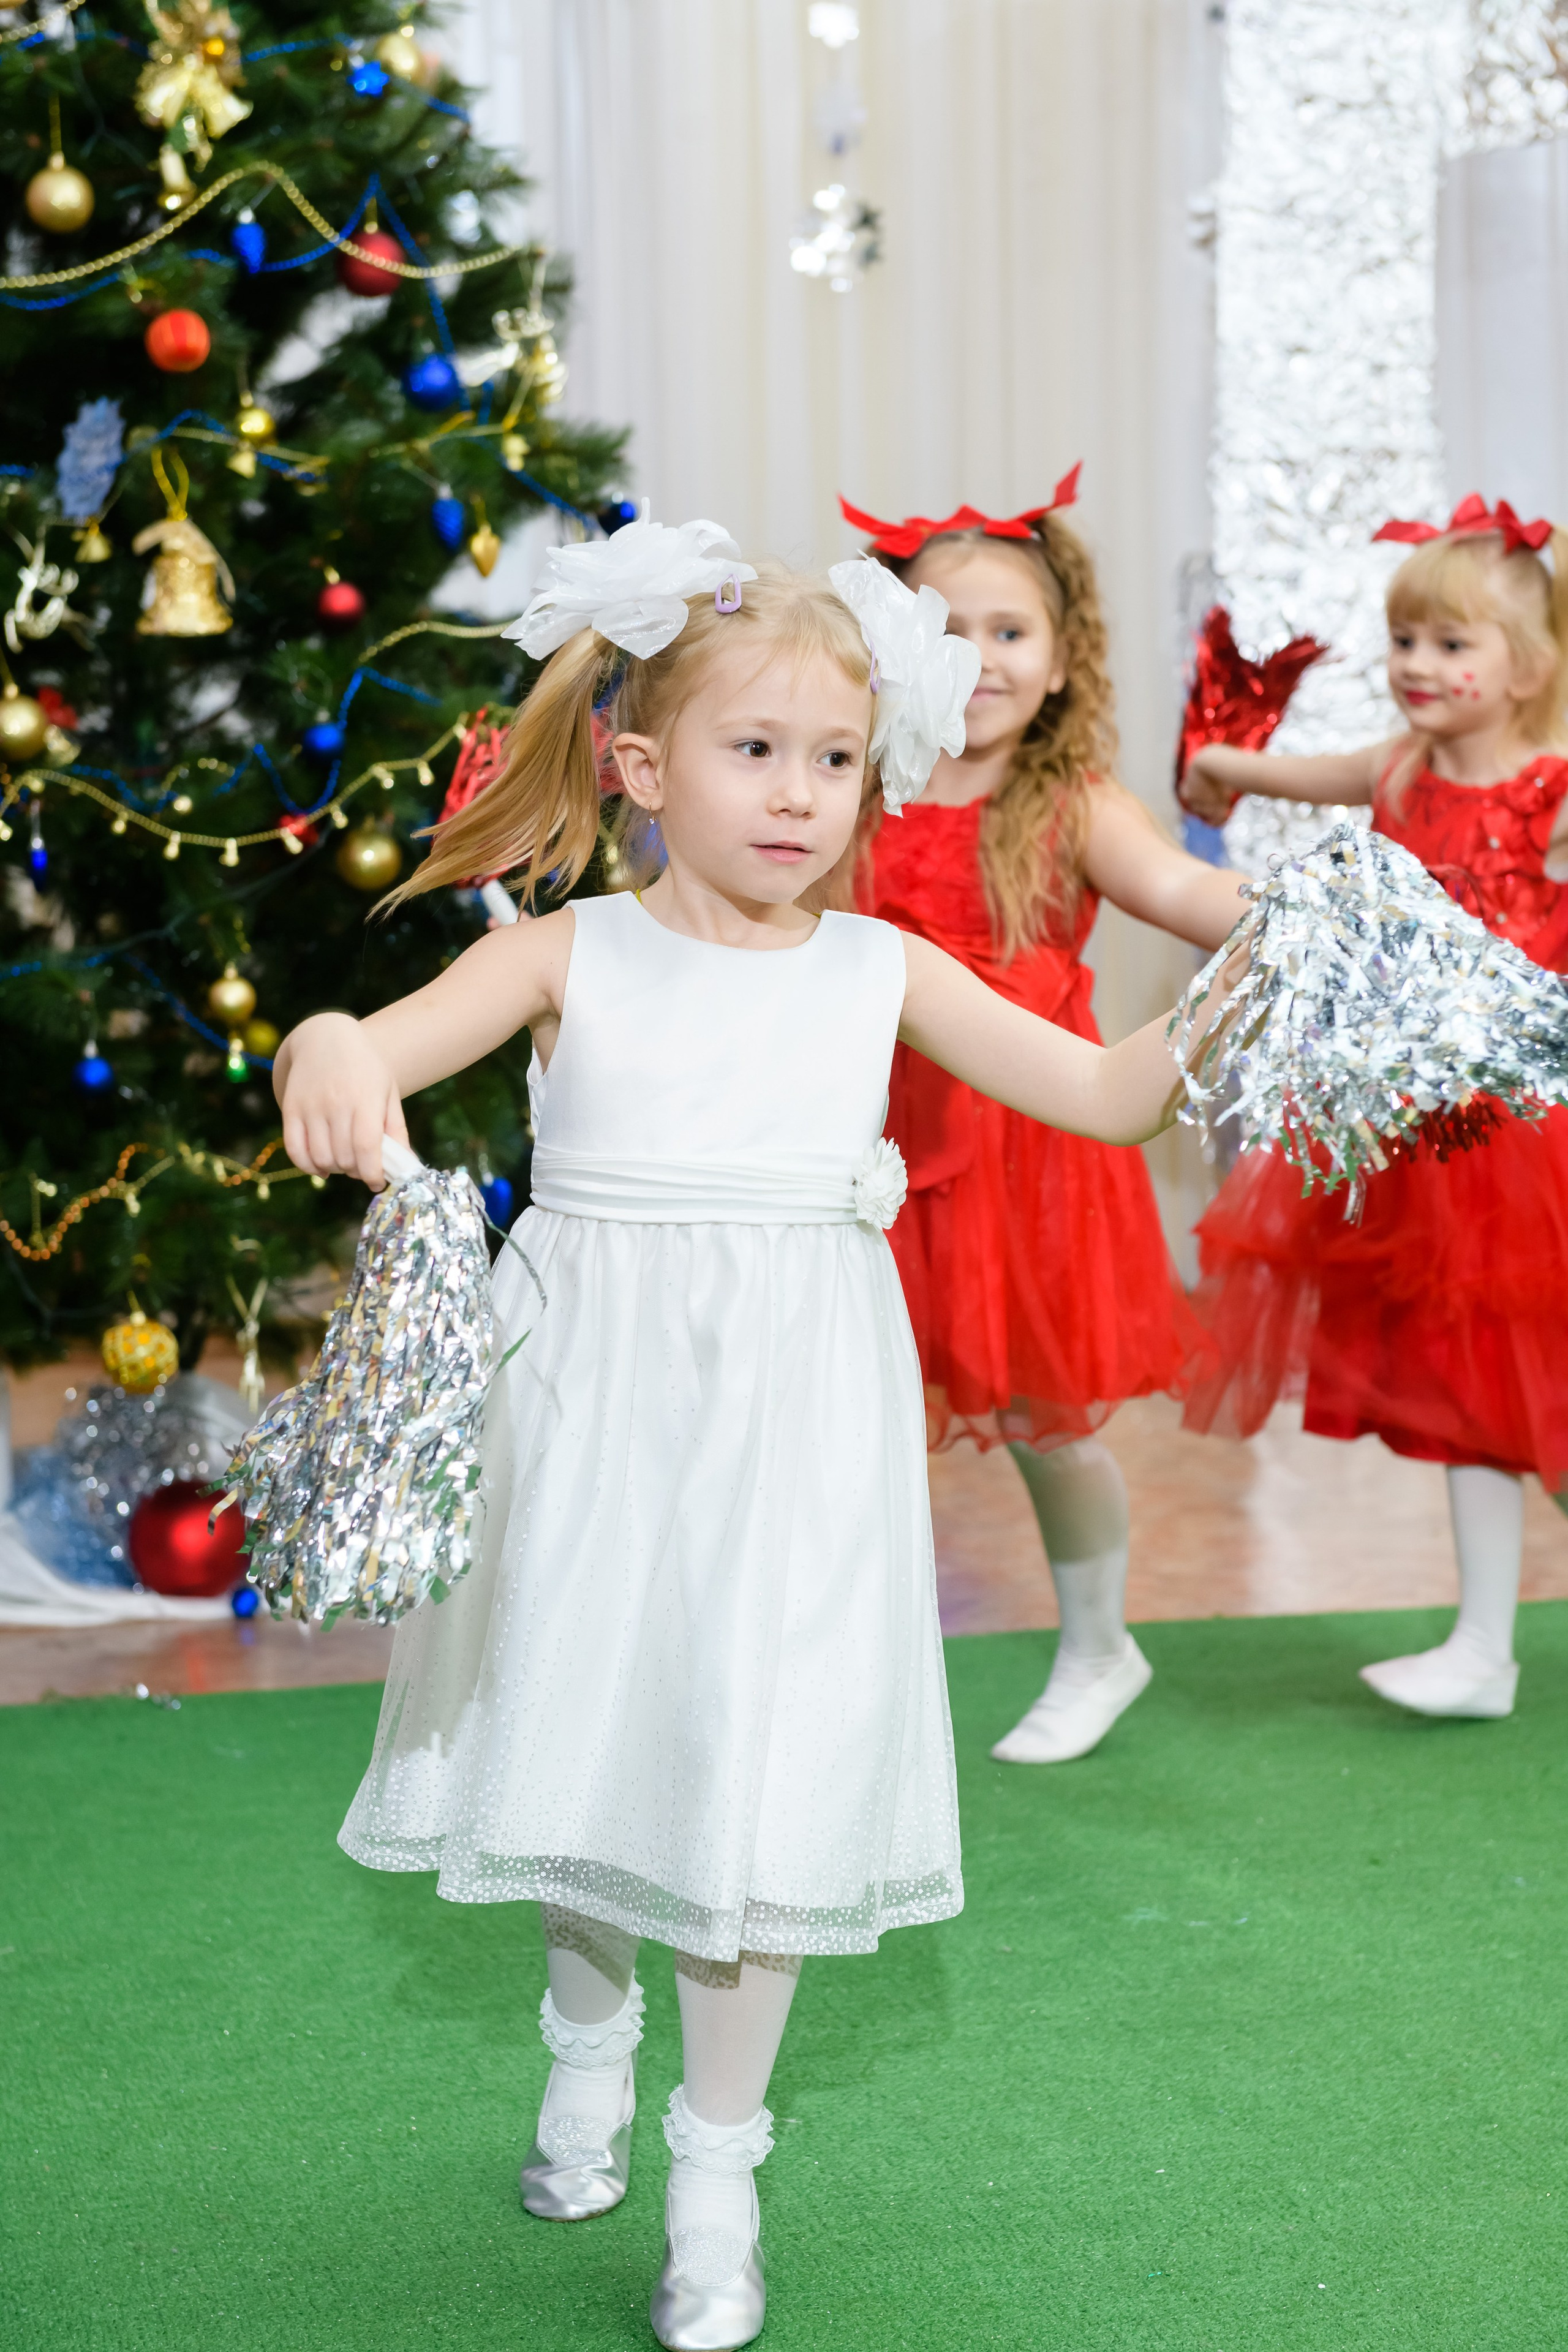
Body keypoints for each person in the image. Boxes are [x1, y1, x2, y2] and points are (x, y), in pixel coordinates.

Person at [272, 515, 1243, 2351]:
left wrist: (1267, 963)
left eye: (835, 759)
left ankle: (718, 2172)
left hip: (800, 1421)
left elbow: (1116, 1097)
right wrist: (323, 1037)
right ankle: (587, 2038)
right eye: (755, 750)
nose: (801, 795)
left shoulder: (878, 970)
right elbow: (366, 1045)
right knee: (593, 1722)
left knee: (757, 1755)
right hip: (591, 1406)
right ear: (641, 768)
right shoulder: (569, 958)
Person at [840, 481, 1249, 1764]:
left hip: (1027, 1155)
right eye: (942, 628)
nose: (976, 657)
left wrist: (1305, 911)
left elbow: (1185, 890)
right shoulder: (846, 789)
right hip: (865, 1148)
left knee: (1043, 1423)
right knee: (845, 1412)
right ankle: (848, 1667)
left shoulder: (1073, 806)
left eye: (1009, 631)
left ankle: (1096, 1646)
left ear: (1062, 656)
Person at [1180, 494, 1568, 1722]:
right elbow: (1288, 772)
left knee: (1530, 1383)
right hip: (1420, 1130)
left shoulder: (1550, 789)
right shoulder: (1395, 772)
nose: (1416, 667)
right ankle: (1480, 1649)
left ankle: (1481, 1650)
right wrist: (1221, 765)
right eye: (1404, 641)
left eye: (1452, 645)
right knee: (1471, 1392)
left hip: (1525, 1134)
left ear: (1528, 667)